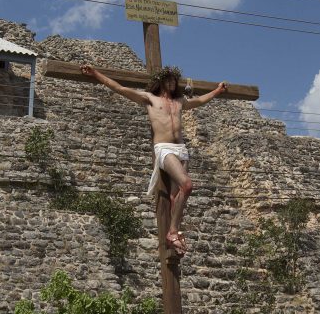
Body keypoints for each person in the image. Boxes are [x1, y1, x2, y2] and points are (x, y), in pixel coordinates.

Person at [79, 64, 227, 254]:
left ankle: (176, 233)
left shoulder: (180, 101)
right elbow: (120, 89)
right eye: (169, 80)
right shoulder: (150, 99)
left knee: (176, 197)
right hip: (164, 148)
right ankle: (172, 232)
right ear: (162, 81)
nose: (172, 83)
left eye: (174, 80)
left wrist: (217, 90)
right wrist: (96, 74)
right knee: (187, 185)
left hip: (181, 149)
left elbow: (199, 101)